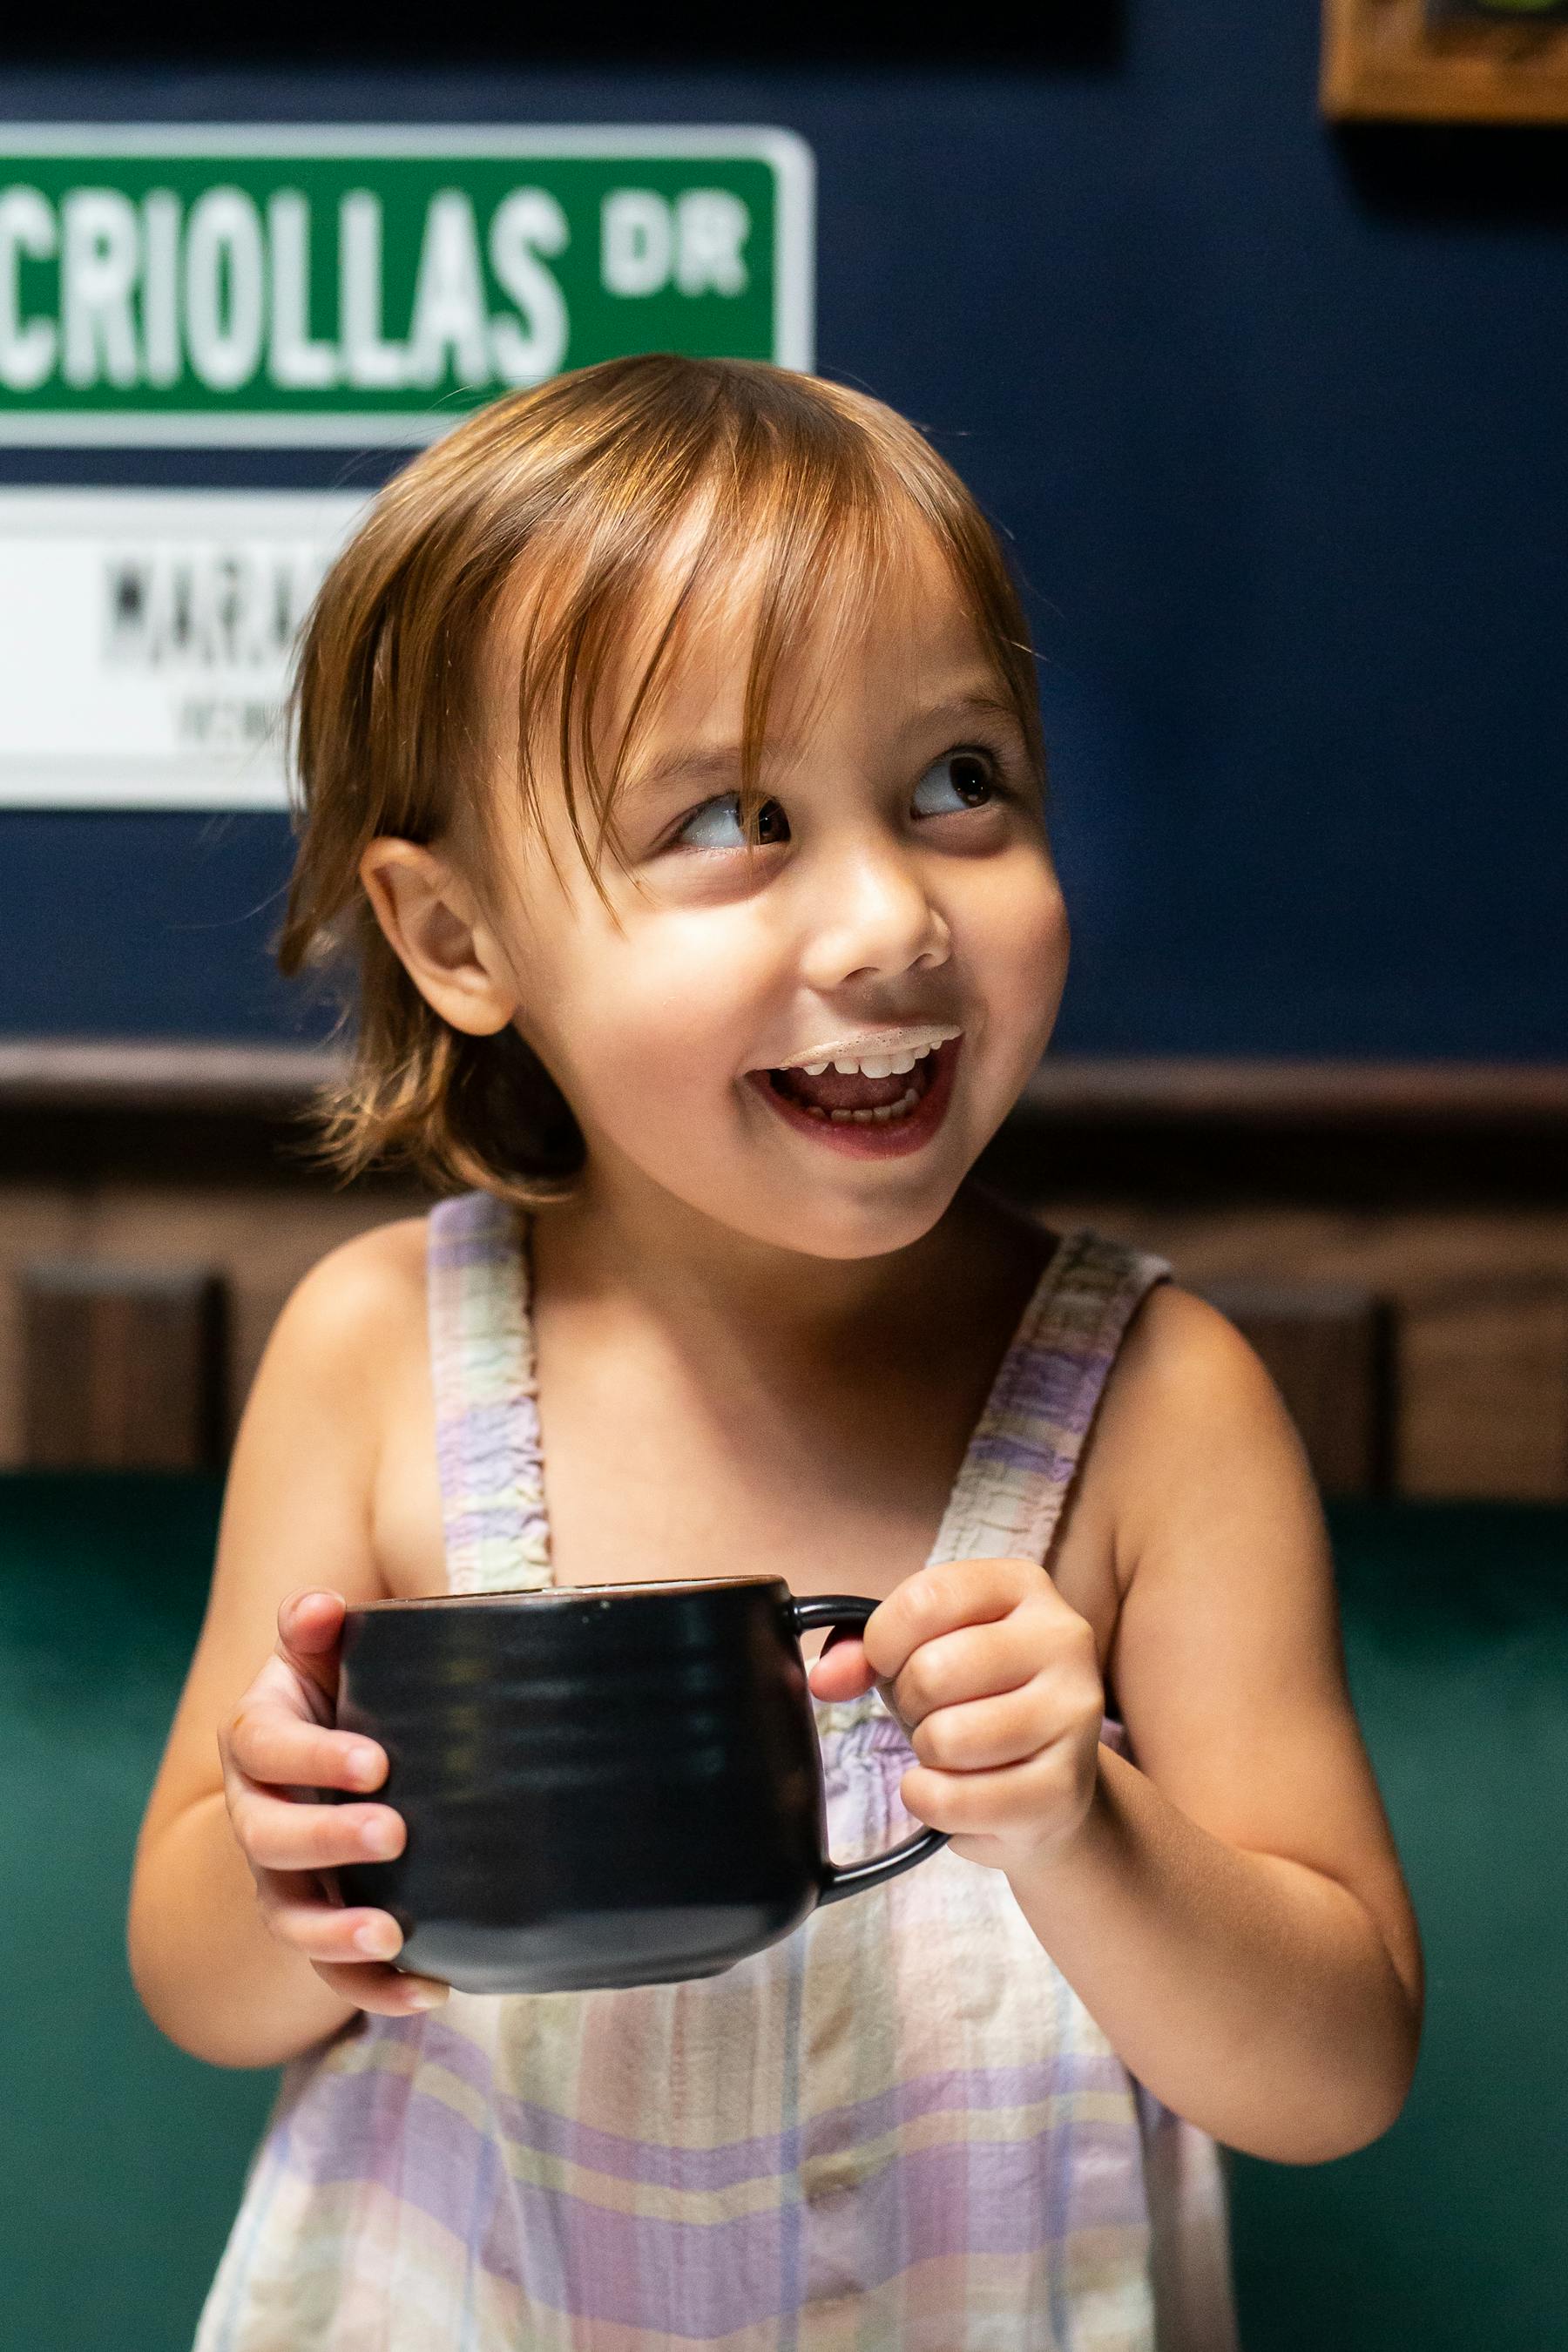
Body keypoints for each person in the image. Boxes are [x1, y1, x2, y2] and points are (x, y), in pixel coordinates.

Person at [128, 355, 1421, 2351]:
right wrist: (294, 1868)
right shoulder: (380, 1350)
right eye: (737, 817)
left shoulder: (1158, 1408)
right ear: (457, 939)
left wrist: (1087, 1819)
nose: (894, 915)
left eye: (958, 783)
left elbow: (1336, 2073)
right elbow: (201, 1988)